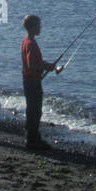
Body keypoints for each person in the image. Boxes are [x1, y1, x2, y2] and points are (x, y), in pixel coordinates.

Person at [21, 14, 61, 150]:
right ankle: (32, 140)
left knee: (32, 110)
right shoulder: (31, 44)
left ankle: (32, 137)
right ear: (32, 27)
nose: (40, 28)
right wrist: (46, 67)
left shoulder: (26, 40)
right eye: (38, 25)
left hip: (29, 80)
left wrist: (48, 65)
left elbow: (34, 63)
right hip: (32, 82)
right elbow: (31, 64)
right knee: (35, 111)